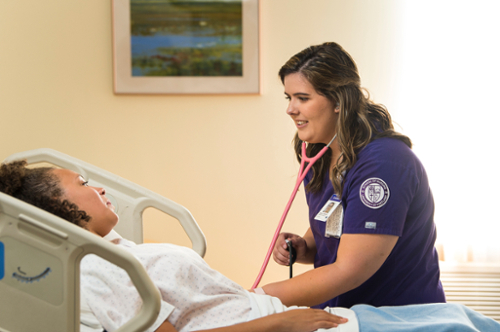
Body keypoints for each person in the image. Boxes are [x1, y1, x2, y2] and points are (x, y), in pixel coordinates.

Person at [1, 160, 498, 332]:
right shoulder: (94, 269)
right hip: (278, 326)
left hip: (266, 315)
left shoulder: (112, 247)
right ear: (58, 209)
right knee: (457, 326)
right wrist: (280, 320)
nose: (100, 188)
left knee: (462, 320)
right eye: (84, 182)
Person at [264, 42, 446, 309]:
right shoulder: (321, 153)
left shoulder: (385, 164)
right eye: (288, 98)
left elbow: (349, 270)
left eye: (302, 98)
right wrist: (305, 247)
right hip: (342, 315)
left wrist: (254, 298)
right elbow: (336, 225)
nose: (290, 109)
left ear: (338, 101)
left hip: (394, 320)